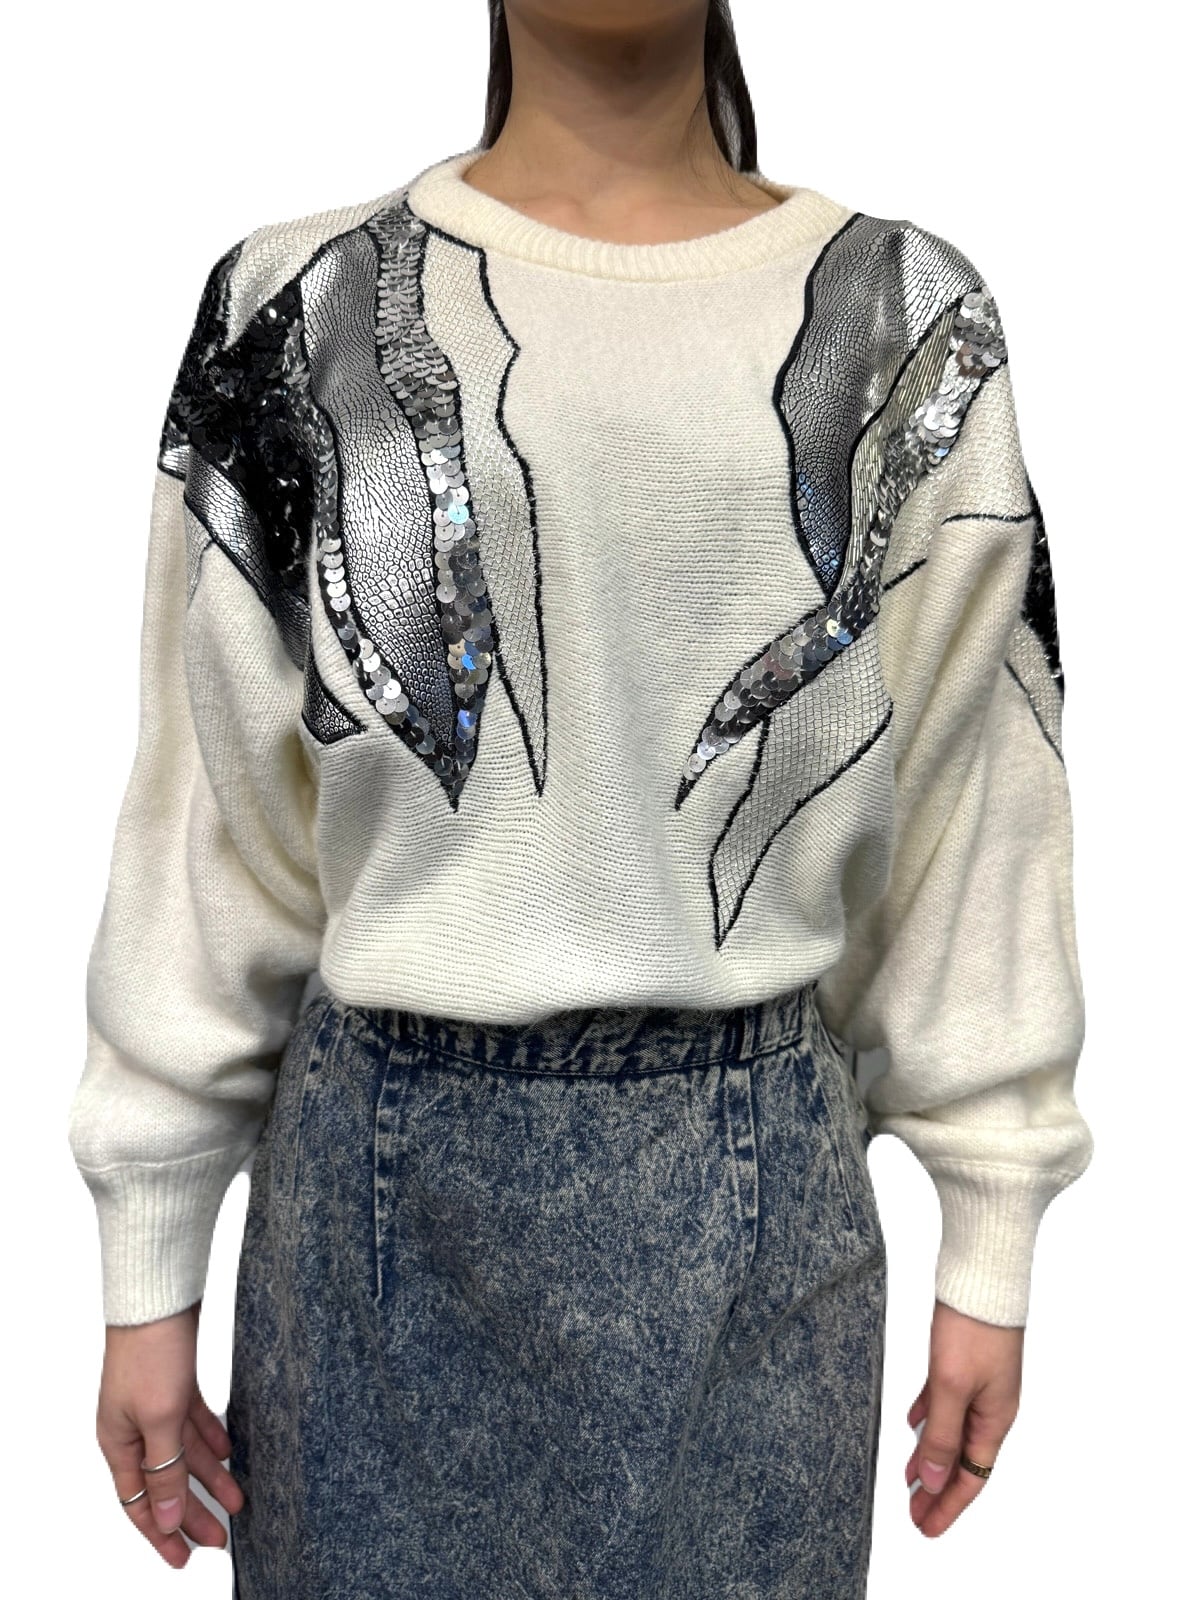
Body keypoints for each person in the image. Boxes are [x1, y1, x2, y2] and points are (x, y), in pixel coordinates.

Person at [67, 1, 1094, 1593]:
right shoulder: (299, 304)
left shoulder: (906, 315)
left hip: (760, 1225)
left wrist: (996, 1212)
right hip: (371, 1228)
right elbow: (213, 822)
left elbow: (979, 804)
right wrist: (149, 1247)